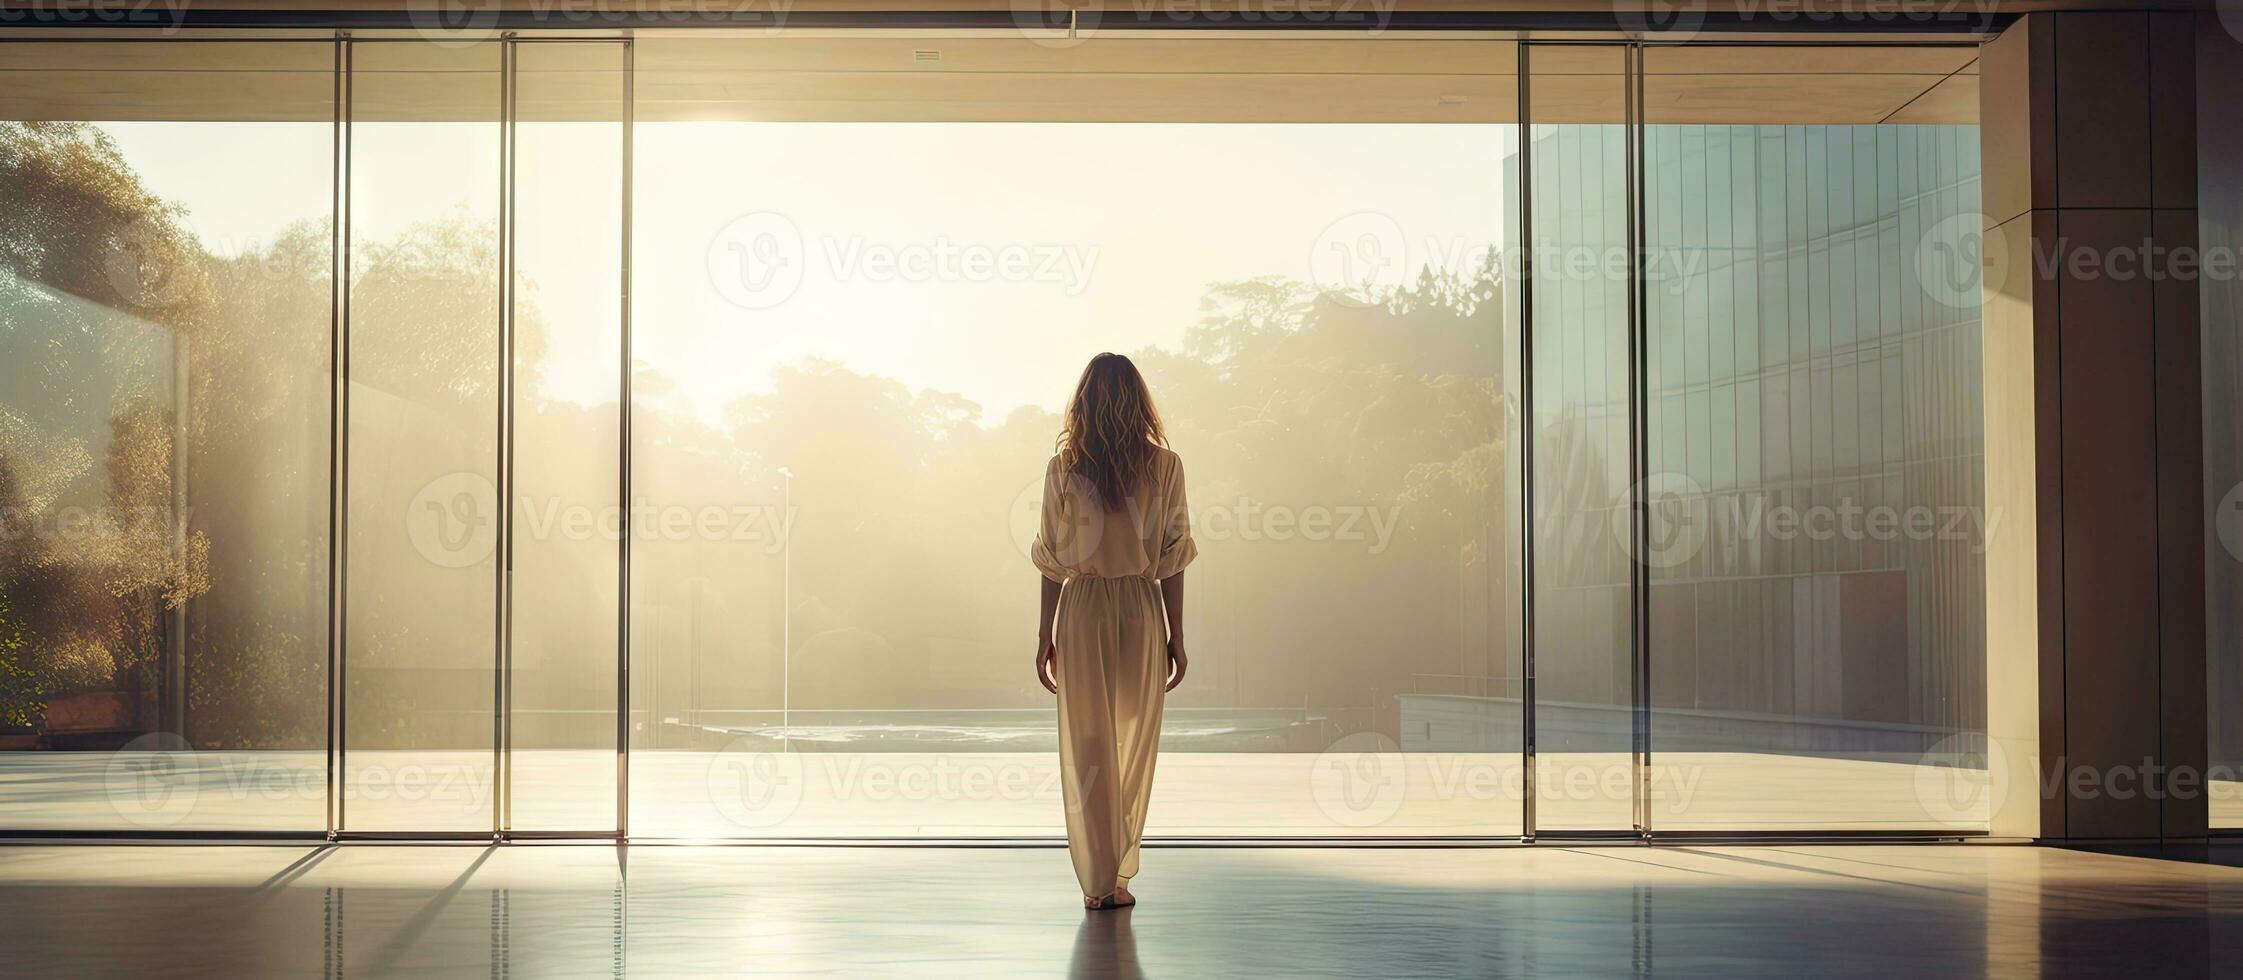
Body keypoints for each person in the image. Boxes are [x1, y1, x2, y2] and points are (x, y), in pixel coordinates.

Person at [1030, 352, 1196, 911]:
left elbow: (1053, 560)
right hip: (1141, 609)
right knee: (1133, 742)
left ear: (1083, 404)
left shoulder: (1063, 471)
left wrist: (1044, 633)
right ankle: (1119, 870)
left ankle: (1098, 879)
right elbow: (1172, 559)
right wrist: (1175, 635)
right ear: (1138, 400)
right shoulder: (1165, 467)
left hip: (1081, 610)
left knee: (1090, 745)